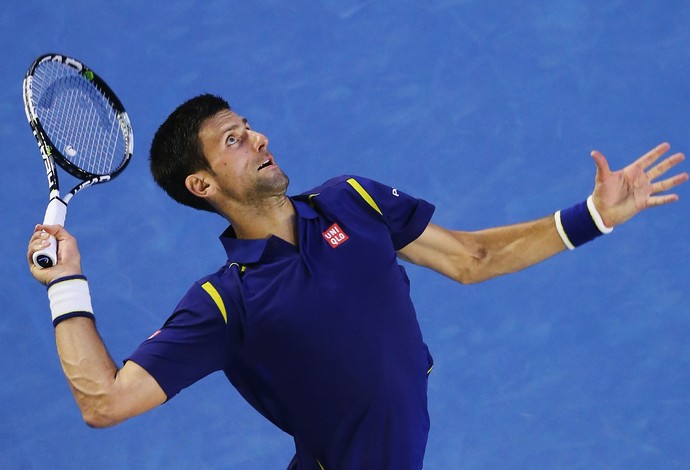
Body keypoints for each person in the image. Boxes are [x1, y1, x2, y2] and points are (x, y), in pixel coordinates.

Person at [27, 94, 688, 470]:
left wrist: (595, 214)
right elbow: (105, 403)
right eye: (233, 140)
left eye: (248, 126)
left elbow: (471, 261)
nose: (257, 138)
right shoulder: (227, 303)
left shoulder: (355, 201)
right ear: (203, 186)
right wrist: (67, 285)